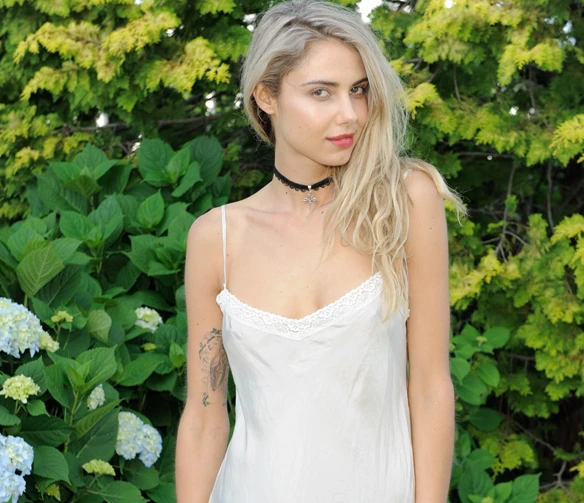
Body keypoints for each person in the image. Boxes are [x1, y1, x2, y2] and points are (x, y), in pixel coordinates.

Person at [175, 1, 467, 502]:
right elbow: (204, 418)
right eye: (321, 92)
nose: (349, 113)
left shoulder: (403, 201)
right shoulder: (216, 237)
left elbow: (430, 388)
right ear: (266, 96)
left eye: (359, 89)